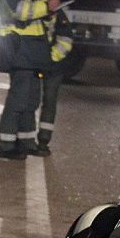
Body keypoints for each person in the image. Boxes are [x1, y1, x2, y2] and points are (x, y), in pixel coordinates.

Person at [0, 0, 60, 159]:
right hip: (17, 48)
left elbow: (31, 14)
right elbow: (20, 11)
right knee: (18, 100)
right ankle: (5, 146)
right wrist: (46, 8)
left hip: (29, 50)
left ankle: (26, 142)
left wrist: (48, 13)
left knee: (30, 99)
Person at [36, 8, 75, 156]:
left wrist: (50, 58)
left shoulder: (58, 14)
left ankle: (43, 141)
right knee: (31, 101)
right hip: (39, 64)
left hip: (53, 66)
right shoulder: (34, 9)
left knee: (49, 101)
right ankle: (28, 140)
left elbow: (66, 39)